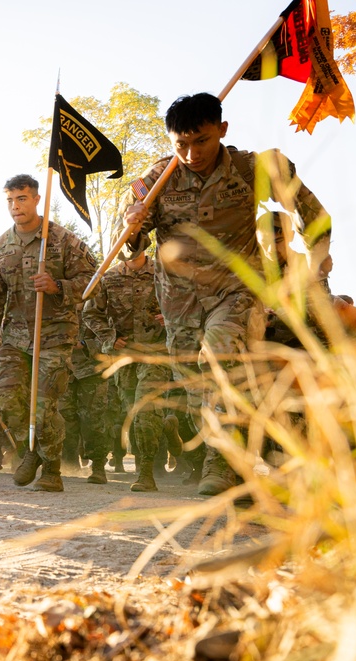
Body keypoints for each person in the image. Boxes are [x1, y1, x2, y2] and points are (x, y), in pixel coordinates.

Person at [118, 93, 330, 496]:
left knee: (219, 358)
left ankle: (221, 465)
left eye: (201, 141)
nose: (191, 153)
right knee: (195, 384)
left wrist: (313, 256)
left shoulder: (253, 169)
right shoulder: (157, 180)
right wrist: (132, 224)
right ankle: (236, 459)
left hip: (236, 293)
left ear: (222, 131)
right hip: (178, 301)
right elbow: (129, 248)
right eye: (180, 144)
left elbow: (314, 216)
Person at [0, 175, 97, 492]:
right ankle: (29, 450)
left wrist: (59, 286)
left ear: (36, 199)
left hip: (55, 337)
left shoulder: (61, 240)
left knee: (43, 405)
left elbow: (93, 280)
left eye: (22, 199)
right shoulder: (1, 247)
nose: (16, 206)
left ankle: (52, 470)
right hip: (15, 338)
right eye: (10, 200)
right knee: (7, 396)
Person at [83, 252, 172, 491]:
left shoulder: (164, 273)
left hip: (157, 352)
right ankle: (152, 456)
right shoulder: (108, 277)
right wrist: (110, 337)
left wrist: (171, 318)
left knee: (146, 408)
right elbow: (90, 313)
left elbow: (187, 304)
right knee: (131, 411)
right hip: (124, 358)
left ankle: (146, 472)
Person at [59, 305, 113, 482]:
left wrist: (85, 345)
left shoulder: (98, 304)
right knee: (65, 416)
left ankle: (97, 465)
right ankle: (69, 463)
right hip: (64, 368)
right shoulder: (58, 304)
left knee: (92, 418)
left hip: (92, 370)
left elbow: (110, 335)